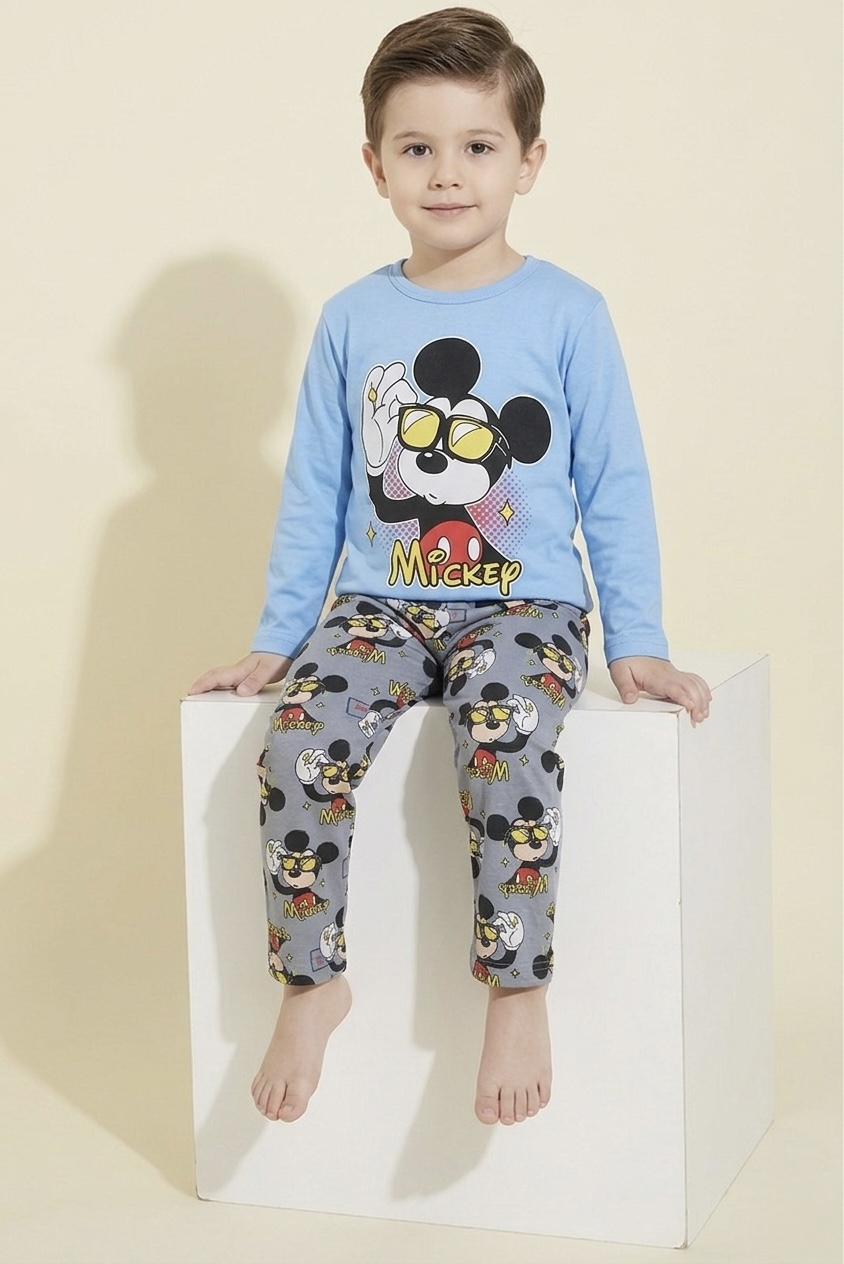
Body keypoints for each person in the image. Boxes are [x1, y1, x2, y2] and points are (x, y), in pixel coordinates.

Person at [189, 6, 711, 1130]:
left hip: (527, 606)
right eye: (416, 147)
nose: (445, 174)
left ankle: (517, 990)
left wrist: (638, 642)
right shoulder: (351, 319)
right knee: (297, 742)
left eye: (477, 146)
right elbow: (316, 492)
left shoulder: (569, 312)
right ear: (374, 164)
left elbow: (615, 484)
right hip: (379, 606)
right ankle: (311, 980)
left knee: (503, 736)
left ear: (529, 160)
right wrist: (278, 640)